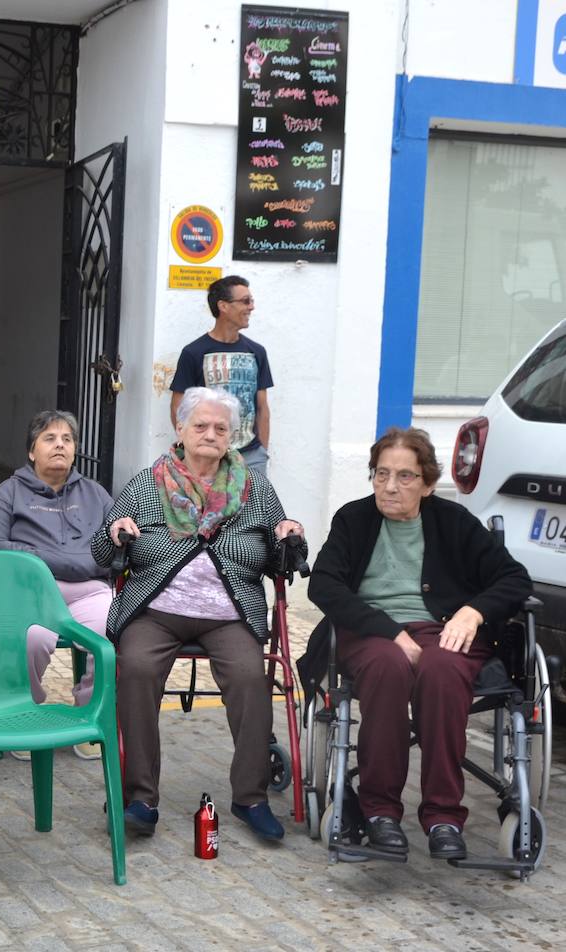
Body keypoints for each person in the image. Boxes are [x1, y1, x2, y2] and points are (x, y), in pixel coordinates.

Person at [91, 386, 304, 841]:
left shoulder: (255, 489)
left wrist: (287, 533)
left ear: (232, 436)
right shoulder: (147, 484)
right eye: (201, 425)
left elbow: (276, 557)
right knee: (138, 668)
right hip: (156, 609)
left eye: (220, 428)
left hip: (229, 612)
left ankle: (251, 797)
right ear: (181, 429)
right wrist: (116, 531)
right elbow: (99, 548)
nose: (210, 434)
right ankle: (139, 797)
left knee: (250, 676)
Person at [308, 427, 531, 861]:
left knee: (443, 670)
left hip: (441, 629)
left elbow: (514, 578)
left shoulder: (454, 522)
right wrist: (389, 631)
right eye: (381, 474)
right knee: (388, 667)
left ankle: (443, 816)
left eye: (405, 477)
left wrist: (474, 611)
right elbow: (324, 586)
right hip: (371, 633)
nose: (390, 486)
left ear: (428, 484)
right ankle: (380, 811)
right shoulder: (353, 519)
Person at [0, 410, 113, 758]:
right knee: (33, 639)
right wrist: (47, 559)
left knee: (112, 631)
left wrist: (60, 559)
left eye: (67, 439)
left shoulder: (95, 493)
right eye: (50, 438)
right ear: (32, 451)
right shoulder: (10, 492)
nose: (60, 445)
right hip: (30, 592)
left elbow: (116, 543)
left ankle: (89, 714)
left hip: (89, 590)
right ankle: (25, 711)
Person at [169, 275, 273, 475]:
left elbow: (262, 407)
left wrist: (262, 451)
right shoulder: (194, 352)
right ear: (223, 306)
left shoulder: (257, 352)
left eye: (251, 301)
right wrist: (190, 448)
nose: (251, 307)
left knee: (253, 507)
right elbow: (178, 406)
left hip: (250, 457)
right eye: (245, 301)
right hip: (208, 457)